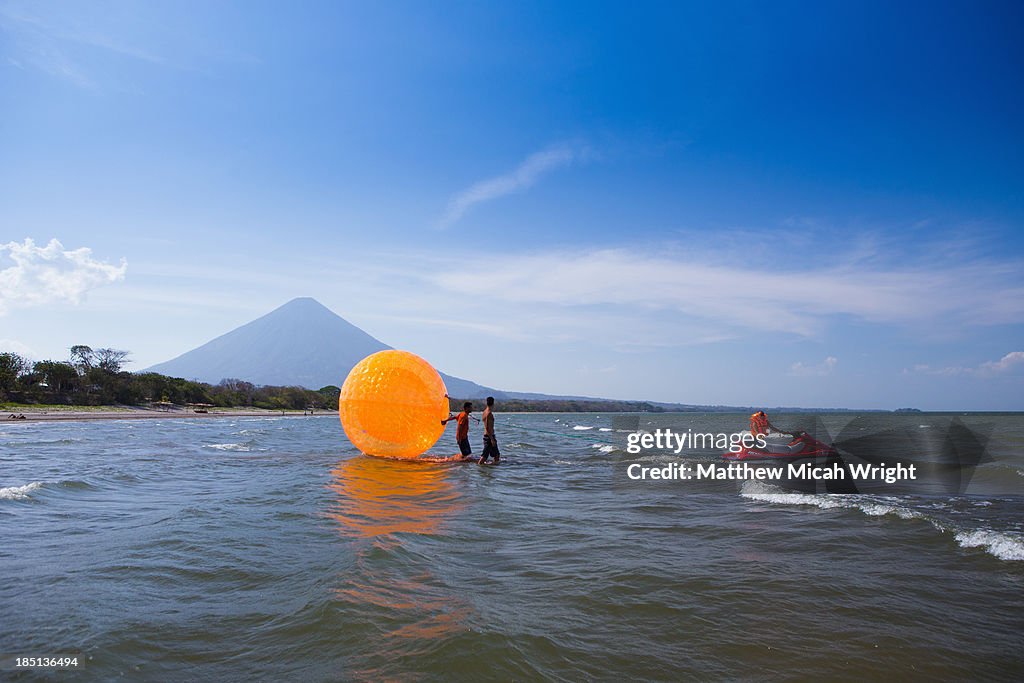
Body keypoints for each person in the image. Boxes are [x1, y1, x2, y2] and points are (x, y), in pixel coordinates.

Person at [480, 396, 500, 465]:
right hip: (489, 437)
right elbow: (487, 427)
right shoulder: (489, 414)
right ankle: (480, 467)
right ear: (493, 403)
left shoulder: (484, 412)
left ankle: (492, 468)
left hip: (488, 436)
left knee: (496, 455)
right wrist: (492, 439)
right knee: (484, 456)